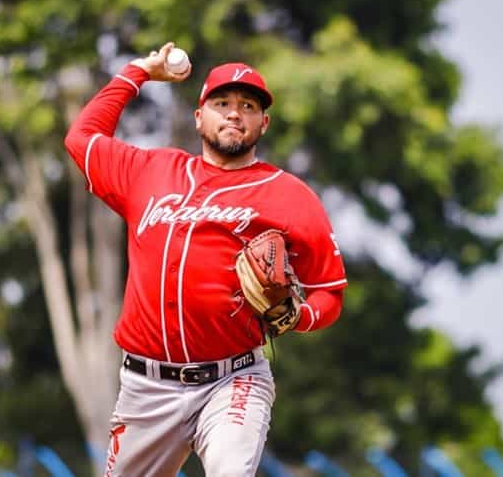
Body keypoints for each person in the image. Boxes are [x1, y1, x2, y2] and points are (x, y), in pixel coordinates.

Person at [65, 42, 347, 477]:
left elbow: (329, 292)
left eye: (248, 105)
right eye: (222, 102)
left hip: (232, 380)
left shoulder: (289, 195)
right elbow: (81, 138)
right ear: (200, 117)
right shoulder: (149, 171)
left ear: (263, 122)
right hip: (146, 387)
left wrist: (300, 316)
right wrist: (137, 71)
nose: (234, 113)